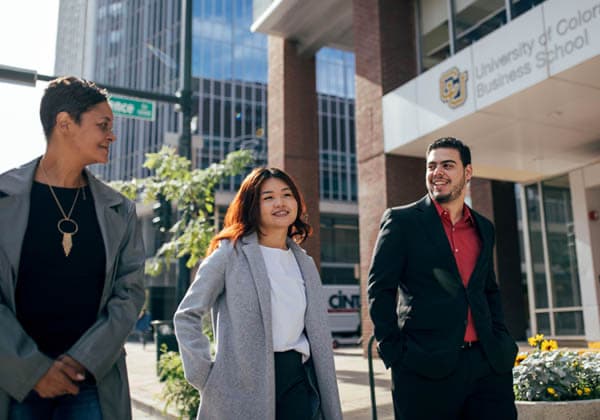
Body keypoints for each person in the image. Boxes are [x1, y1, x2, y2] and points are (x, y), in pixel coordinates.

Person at [0, 76, 146, 420]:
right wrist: (32, 370)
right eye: (103, 125)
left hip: (91, 382)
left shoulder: (120, 210)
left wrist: (84, 360)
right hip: (13, 382)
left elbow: (130, 296)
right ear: (64, 123)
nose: (112, 135)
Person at [174, 167, 343, 420]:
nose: (280, 203)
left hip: (297, 378)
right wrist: (206, 377)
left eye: (287, 195)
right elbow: (187, 315)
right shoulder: (229, 254)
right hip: (242, 382)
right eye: (268, 197)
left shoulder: (304, 262)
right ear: (252, 205)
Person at [368, 137, 518, 420]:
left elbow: (489, 290)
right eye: (432, 166)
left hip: (488, 365)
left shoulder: (484, 227)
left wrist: (501, 339)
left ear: (468, 172)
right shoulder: (402, 222)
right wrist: (394, 353)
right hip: (424, 368)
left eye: (447, 165)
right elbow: (380, 288)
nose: (437, 172)